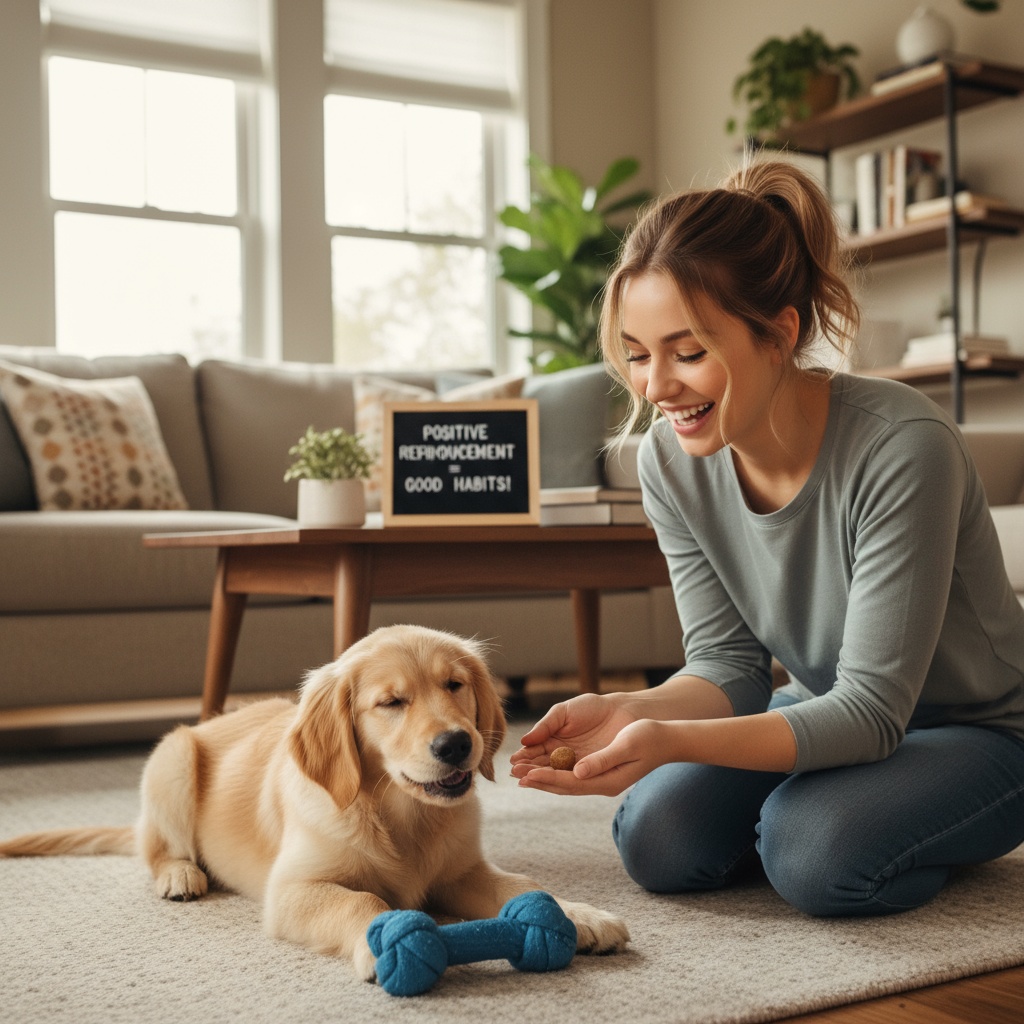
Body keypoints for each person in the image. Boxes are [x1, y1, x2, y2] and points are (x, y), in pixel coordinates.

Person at [510, 159, 1024, 918]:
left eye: (688, 353)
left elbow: (875, 710)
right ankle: (842, 803)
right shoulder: (668, 460)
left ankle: (884, 820)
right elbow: (728, 668)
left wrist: (677, 744)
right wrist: (630, 709)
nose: (655, 387)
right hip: (828, 708)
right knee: (659, 838)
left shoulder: (902, 445)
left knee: (813, 850)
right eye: (638, 353)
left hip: (979, 734)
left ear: (780, 333)